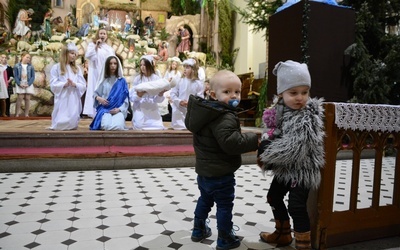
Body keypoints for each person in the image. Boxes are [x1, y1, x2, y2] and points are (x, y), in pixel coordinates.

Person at [184, 70, 259, 250]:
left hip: (204, 171)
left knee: (205, 199)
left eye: (237, 92)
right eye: (227, 92)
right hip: (221, 173)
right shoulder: (223, 116)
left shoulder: (206, 113)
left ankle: (198, 229)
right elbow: (230, 143)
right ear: (212, 94)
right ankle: (225, 238)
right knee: (224, 206)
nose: (233, 96)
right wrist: (253, 140)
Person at [257, 60, 325, 250]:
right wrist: (266, 140)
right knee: (273, 196)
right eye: (293, 93)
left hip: (302, 168)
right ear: (281, 94)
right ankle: (283, 233)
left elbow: (294, 148)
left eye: (304, 92)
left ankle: (303, 244)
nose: (300, 98)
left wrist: (267, 151)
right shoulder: (278, 111)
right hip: (286, 167)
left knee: (296, 206)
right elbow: (272, 133)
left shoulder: (308, 116)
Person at [49, 43, 86, 130]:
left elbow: (83, 85)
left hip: (73, 95)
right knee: (61, 119)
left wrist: (75, 84)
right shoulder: (56, 67)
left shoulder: (77, 69)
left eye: (75, 54)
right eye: (72, 53)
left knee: (72, 119)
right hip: (62, 95)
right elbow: (53, 83)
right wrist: (63, 84)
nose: (74, 56)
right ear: (65, 54)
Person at [90, 55, 129, 130]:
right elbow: (95, 94)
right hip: (105, 109)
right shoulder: (104, 80)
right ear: (107, 65)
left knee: (118, 126)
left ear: (118, 65)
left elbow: (126, 100)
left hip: (117, 110)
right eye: (110, 64)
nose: (113, 66)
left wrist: (119, 109)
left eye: (115, 63)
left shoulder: (122, 81)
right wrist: (99, 98)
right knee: (106, 126)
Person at [83, 28, 115, 118]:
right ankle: (95, 112)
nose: (102, 35)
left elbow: (113, 59)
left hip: (106, 73)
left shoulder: (109, 48)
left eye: (104, 33)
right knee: (96, 89)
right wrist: (96, 47)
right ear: (98, 35)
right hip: (96, 72)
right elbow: (89, 56)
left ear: (107, 36)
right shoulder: (92, 45)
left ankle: (105, 110)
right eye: (101, 33)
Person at [129, 55, 167, 130]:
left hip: (152, 107)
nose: (142, 67)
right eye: (141, 65)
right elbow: (132, 97)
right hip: (140, 106)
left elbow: (158, 100)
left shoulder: (156, 79)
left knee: (157, 127)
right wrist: (139, 95)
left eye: (145, 65)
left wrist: (160, 94)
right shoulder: (137, 79)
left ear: (149, 65)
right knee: (139, 126)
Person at [170, 58, 204, 130]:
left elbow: (200, 98)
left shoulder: (198, 84)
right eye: (184, 67)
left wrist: (191, 103)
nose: (185, 69)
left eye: (187, 67)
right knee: (178, 127)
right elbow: (173, 93)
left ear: (193, 70)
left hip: (191, 110)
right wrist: (179, 101)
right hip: (179, 108)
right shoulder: (179, 80)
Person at [14, 52, 35, 117]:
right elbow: (16, 76)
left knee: (27, 98)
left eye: (29, 58)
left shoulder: (31, 66)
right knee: (20, 97)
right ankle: (17, 113)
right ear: (22, 57)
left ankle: (26, 114)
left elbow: (33, 76)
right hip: (20, 83)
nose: (28, 59)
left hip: (28, 83)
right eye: (27, 57)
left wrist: (28, 84)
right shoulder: (17, 66)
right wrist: (19, 83)